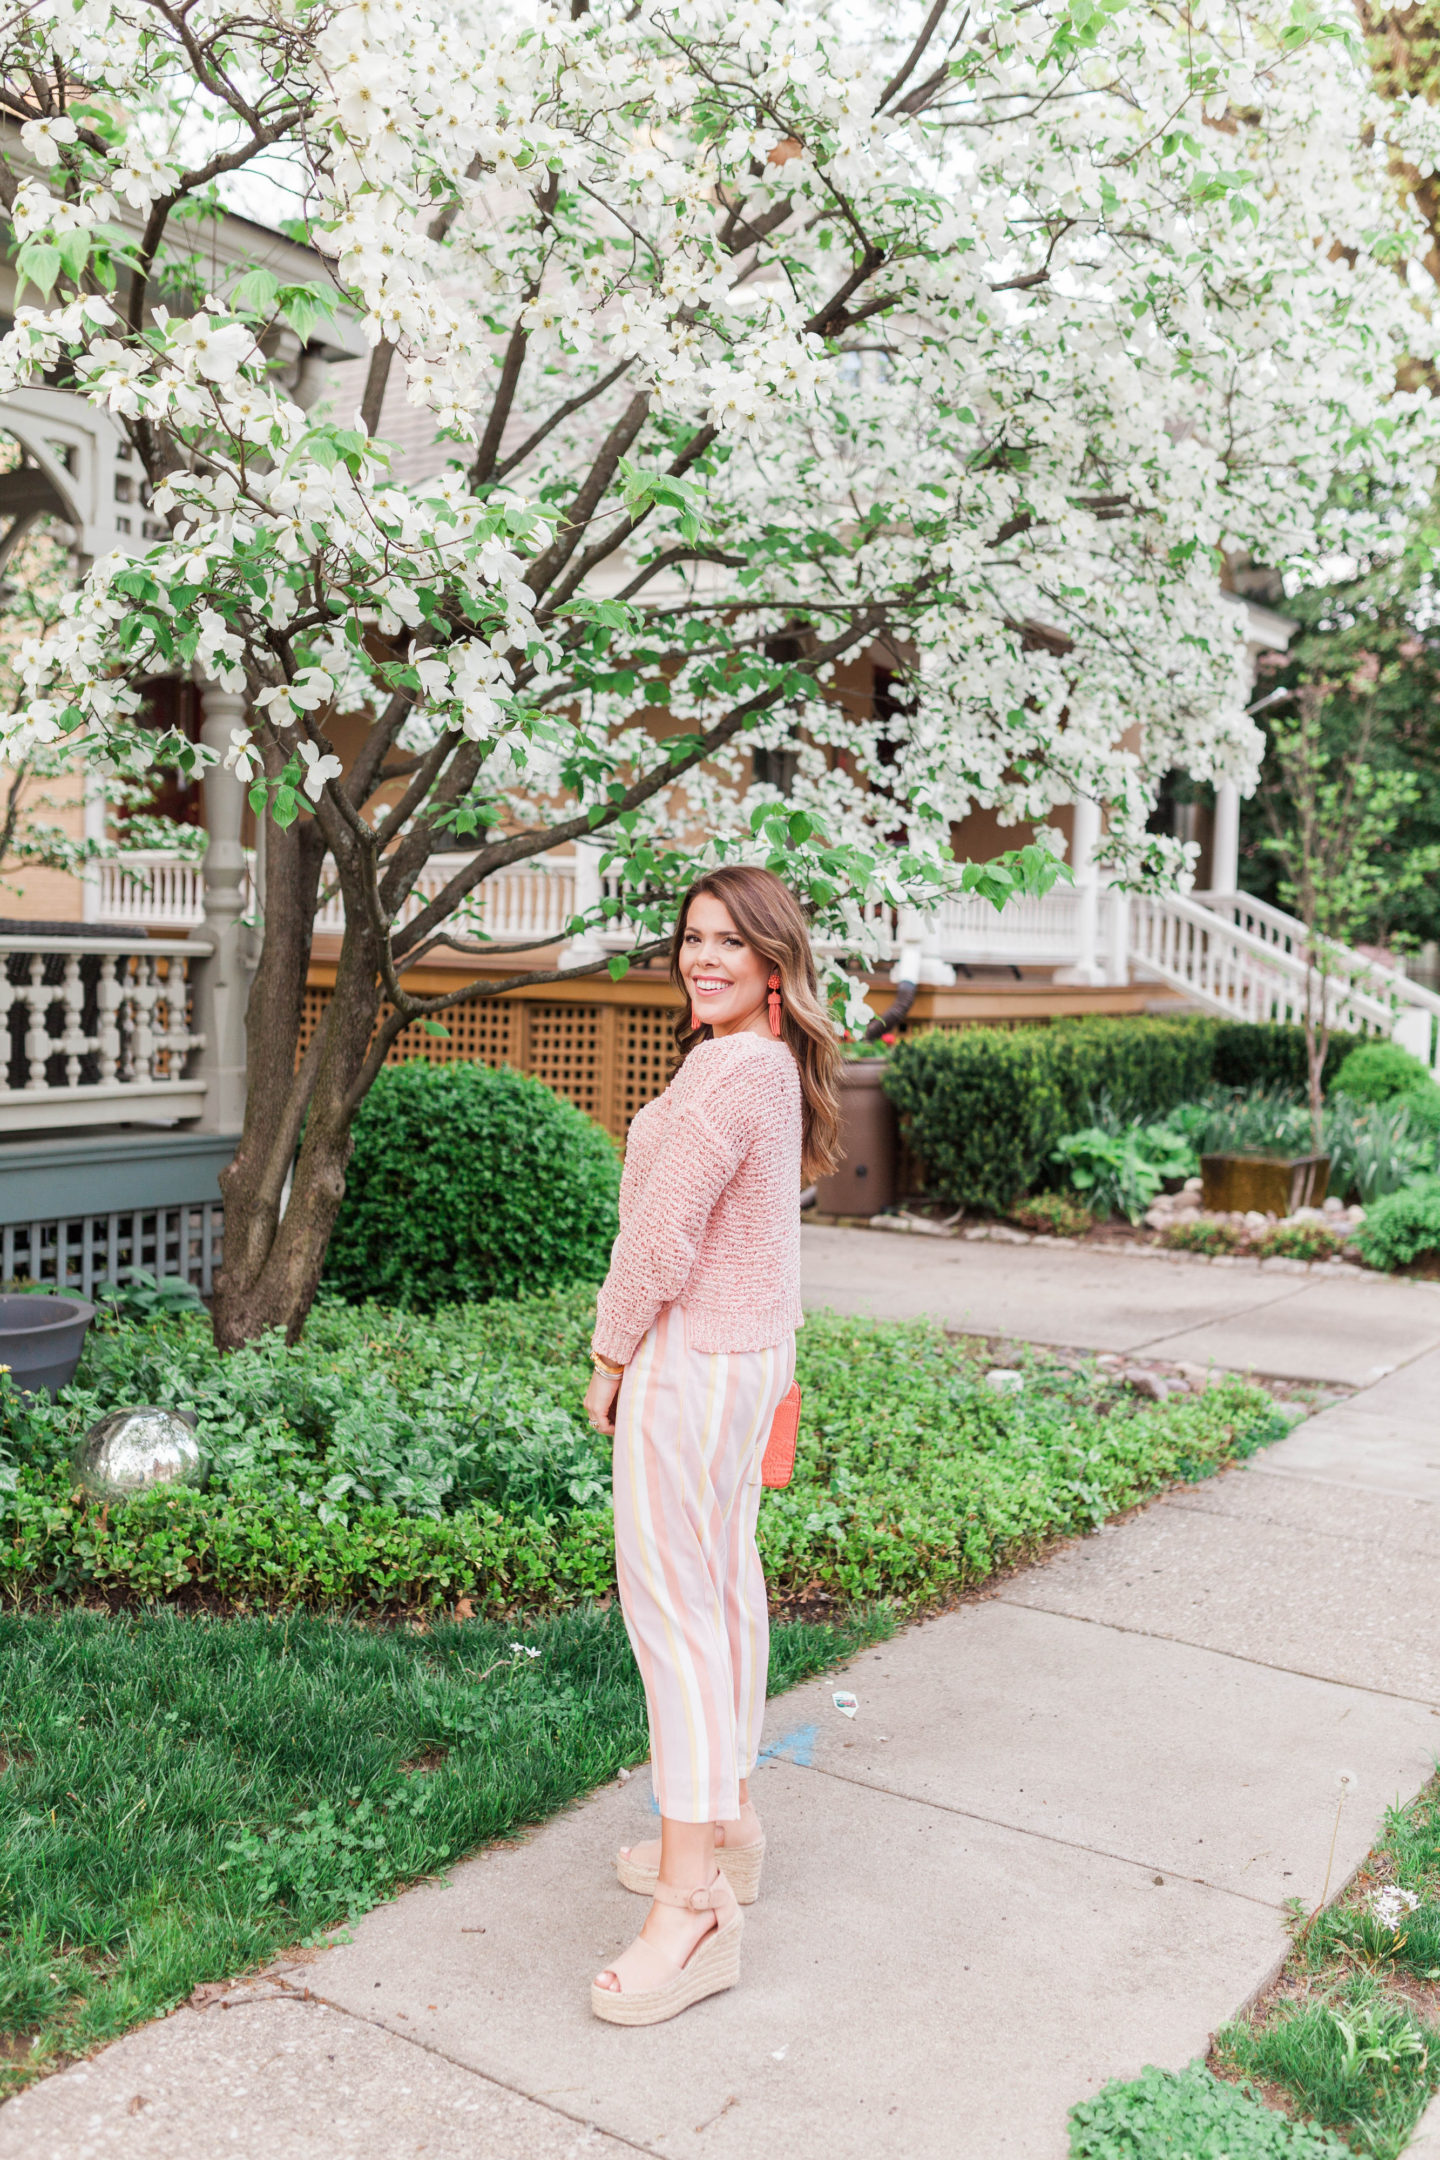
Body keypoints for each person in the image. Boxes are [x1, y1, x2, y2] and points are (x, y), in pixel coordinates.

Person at [583, 863, 842, 2026]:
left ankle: (690, 1907)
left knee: (675, 1616)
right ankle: (727, 1825)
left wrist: (608, 1354)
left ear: (773, 963)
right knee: (726, 1588)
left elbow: (660, 1237)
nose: (703, 957)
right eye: (692, 937)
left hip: (693, 1360)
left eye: (730, 942)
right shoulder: (766, 1064)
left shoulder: (731, 1067)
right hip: (754, 1357)